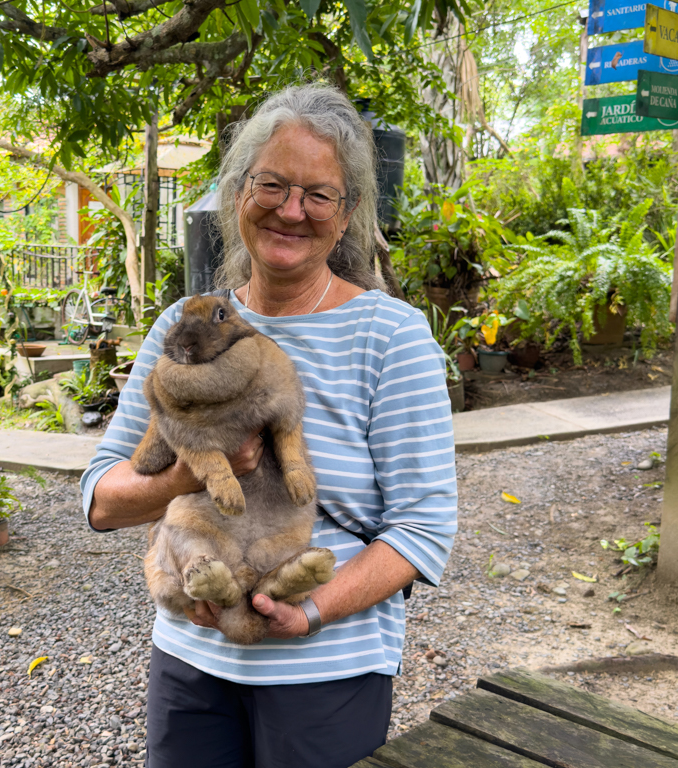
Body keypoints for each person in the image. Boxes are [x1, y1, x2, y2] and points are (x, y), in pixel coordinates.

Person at [80, 84, 457, 768]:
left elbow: (424, 528)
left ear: (346, 217)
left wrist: (311, 612)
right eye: (273, 185)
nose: (292, 210)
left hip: (325, 669)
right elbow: (102, 497)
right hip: (191, 658)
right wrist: (195, 472)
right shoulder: (182, 326)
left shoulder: (389, 335)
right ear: (237, 193)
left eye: (319, 195)